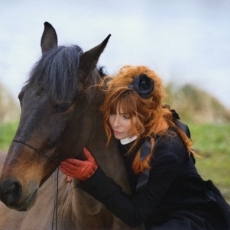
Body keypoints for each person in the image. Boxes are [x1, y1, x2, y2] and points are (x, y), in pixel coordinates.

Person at [59, 65, 230, 229]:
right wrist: (77, 167)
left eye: (126, 116)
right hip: (151, 214)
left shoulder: (167, 151)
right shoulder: (121, 130)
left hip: (186, 217)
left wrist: (91, 177)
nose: (116, 123)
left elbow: (135, 215)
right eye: (112, 113)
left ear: (144, 115)